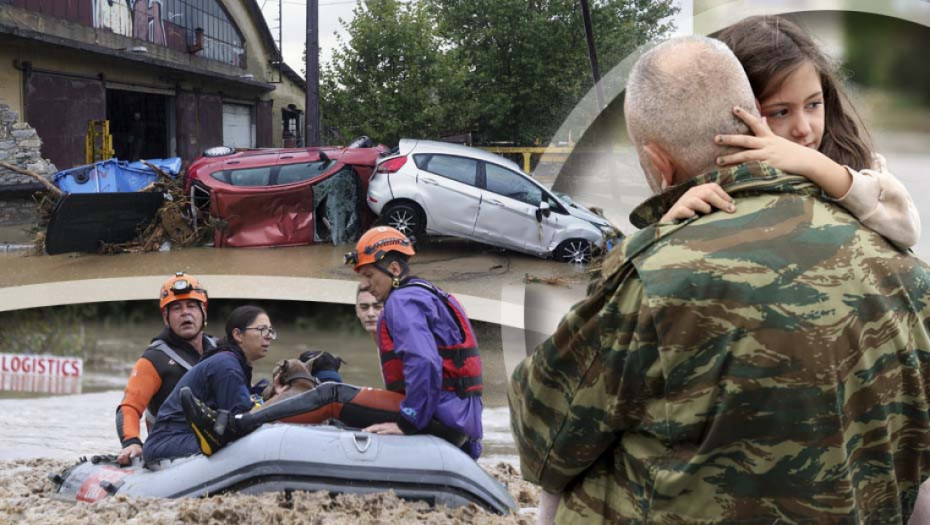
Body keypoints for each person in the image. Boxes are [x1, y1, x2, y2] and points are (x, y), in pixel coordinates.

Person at [508, 35, 930, 523]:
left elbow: (544, 436)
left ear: (658, 163)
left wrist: (641, 250)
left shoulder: (653, 276)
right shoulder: (902, 265)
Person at [179, 226, 484, 459]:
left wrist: (408, 423)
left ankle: (231, 428)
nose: (365, 284)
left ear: (392, 269)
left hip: (436, 415)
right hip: (458, 420)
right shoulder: (432, 295)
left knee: (331, 393)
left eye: (368, 275)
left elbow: (425, 362)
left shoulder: (402, 301)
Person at [662, 15, 919, 249]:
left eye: (813, 105)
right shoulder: (715, 177)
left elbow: (906, 229)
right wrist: (668, 224)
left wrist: (817, 166)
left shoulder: (856, 165)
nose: (803, 129)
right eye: (780, 112)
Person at [142, 305, 273, 463]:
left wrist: (271, 392)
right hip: (169, 442)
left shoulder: (234, 363)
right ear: (238, 335)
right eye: (262, 329)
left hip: (182, 438)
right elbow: (244, 421)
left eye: (270, 331)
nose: (268, 336)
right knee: (236, 444)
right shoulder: (227, 366)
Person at [114, 272, 216, 466]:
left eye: (192, 306)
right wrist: (132, 442)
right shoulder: (153, 360)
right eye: (176, 308)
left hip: (216, 436)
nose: (185, 313)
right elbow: (129, 407)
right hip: (172, 447)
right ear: (166, 317)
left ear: (204, 311)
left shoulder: (220, 349)